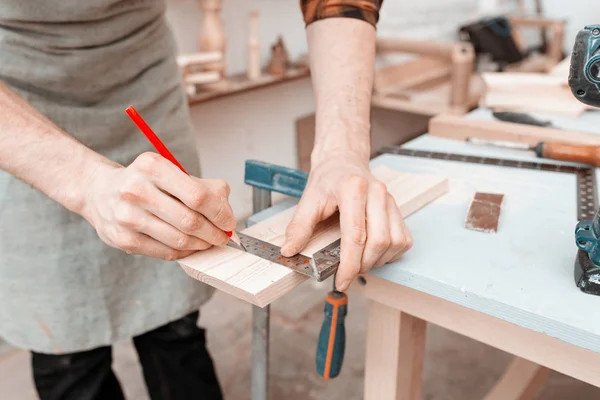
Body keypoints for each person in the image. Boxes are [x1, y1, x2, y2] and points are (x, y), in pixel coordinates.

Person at [0, 0, 412, 398]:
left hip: (141, 70)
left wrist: (342, 150)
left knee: (175, 326)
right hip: (19, 109)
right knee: (68, 352)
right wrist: (84, 181)